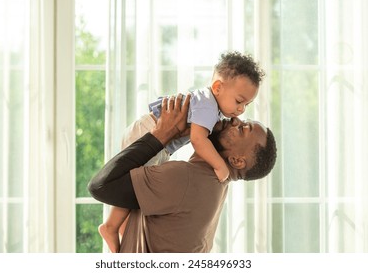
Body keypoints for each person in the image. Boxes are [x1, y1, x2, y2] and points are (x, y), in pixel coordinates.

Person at [97, 51, 265, 253]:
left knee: (138, 192)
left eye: (246, 104)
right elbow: (197, 140)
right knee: (136, 189)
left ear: (238, 160)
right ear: (218, 87)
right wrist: (220, 165)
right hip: (148, 132)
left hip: (156, 139)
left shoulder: (211, 108)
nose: (240, 112)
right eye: (239, 101)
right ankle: (112, 227)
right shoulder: (207, 107)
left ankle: (116, 227)